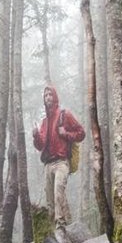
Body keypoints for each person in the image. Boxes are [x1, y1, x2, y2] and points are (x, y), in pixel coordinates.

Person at [31, 83, 85, 228]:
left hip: (62, 162)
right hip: (48, 164)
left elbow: (81, 133)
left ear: (55, 97)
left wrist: (66, 134)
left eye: (50, 95)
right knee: (50, 200)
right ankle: (68, 224)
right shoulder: (44, 122)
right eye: (45, 95)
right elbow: (40, 145)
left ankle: (60, 225)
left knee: (58, 192)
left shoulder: (64, 115)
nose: (48, 97)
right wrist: (36, 136)